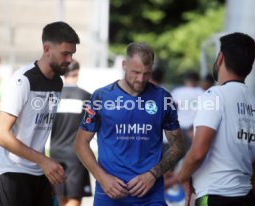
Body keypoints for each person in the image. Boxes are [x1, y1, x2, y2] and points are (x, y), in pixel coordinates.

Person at [74, 42, 185, 206]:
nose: (141, 79)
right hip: (109, 193)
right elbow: (80, 143)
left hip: (150, 195)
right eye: (136, 72)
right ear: (124, 65)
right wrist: (102, 178)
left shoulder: (163, 98)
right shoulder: (101, 97)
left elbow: (178, 146)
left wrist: (152, 175)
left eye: (147, 73)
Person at [0, 21, 80, 206]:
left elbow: (37, 131)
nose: (70, 59)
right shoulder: (23, 80)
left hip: (37, 175)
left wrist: (44, 169)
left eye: (72, 54)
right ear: (47, 49)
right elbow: (0, 134)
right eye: (65, 53)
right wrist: (43, 161)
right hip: (9, 175)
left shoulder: (57, 83)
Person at [179, 32, 255, 206]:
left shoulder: (214, 95)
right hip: (245, 197)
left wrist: (182, 176)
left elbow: (197, 153)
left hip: (214, 196)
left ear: (220, 58)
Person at [50, 59, 92, 206]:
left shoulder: (53, 96)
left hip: (55, 151)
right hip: (76, 153)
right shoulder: (86, 97)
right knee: (74, 197)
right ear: (77, 72)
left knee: (60, 197)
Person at [171, 71, 204, 151]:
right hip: (193, 129)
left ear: (185, 80)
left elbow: (171, 109)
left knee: (177, 153)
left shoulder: (177, 92)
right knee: (190, 153)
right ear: (197, 81)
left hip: (177, 128)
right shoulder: (201, 92)